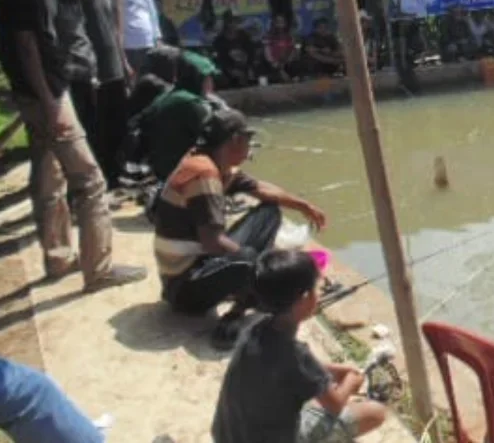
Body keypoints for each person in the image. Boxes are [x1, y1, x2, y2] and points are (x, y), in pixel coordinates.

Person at [0, 0, 146, 292]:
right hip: (48, 98)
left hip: (35, 98)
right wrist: (50, 103)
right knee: (90, 182)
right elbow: (27, 51)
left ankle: (58, 259)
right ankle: (99, 269)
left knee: (49, 179)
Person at [153, 110, 328, 349]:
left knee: (268, 213)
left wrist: (303, 205)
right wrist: (264, 267)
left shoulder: (212, 163)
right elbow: (213, 242)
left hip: (194, 267)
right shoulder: (204, 173)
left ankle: (245, 297)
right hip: (184, 288)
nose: (249, 146)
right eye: (247, 139)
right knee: (248, 260)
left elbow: (261, 189)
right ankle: (239, 310)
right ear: (235, 139)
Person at [212, 249, 387, 443]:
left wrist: (328, 371)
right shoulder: (298, 356)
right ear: (305, 298)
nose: (319, 294)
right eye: (317, 288)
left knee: (308, 397)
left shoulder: (254, 329)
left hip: (226, 436)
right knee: (375, 412)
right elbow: (335, 405)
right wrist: (351, 382)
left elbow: (285, 366)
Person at [135, 51, 224, 184]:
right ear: (197, 78)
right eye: (208, 78)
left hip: (158, 168)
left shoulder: (167, 96)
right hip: (178, 172)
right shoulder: (191, 103)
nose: (211, 84)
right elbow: (218, 137)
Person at [81, 0, 129, 188]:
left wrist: (124, 62)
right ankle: (105, 175)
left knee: (118, 123)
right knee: (98, 127)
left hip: (114, 67)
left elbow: (113, 29)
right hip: (95, 71)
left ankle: (118, 171)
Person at [45, 0, 98, 153]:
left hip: (84, 76)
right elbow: (49, 41)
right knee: (75, 133)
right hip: (68, 78)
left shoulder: (75, 2)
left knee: (90, 126)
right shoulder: (51, 2)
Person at [213, 11, 259, 89]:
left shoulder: (244, 36)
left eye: (236, 21)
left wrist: (249, 68)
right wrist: (231, 70)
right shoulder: (219, 41)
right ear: (225, 23)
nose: (233, 24)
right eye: (230, 21)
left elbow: (251, 53)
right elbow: (220, 60)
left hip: (245, 69)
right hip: (229, 71)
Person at [263, 14, 300, 84]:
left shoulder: (288, 36)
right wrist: (274, 63)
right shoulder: (268, 35)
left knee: (295, 67)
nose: (280, 24)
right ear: (274, 23)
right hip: (274, 64)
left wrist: (288, 61)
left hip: (286, 62)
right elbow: (267, 51)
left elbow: (292, 50)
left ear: (285, 23)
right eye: (278, 22)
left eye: (282, 22)